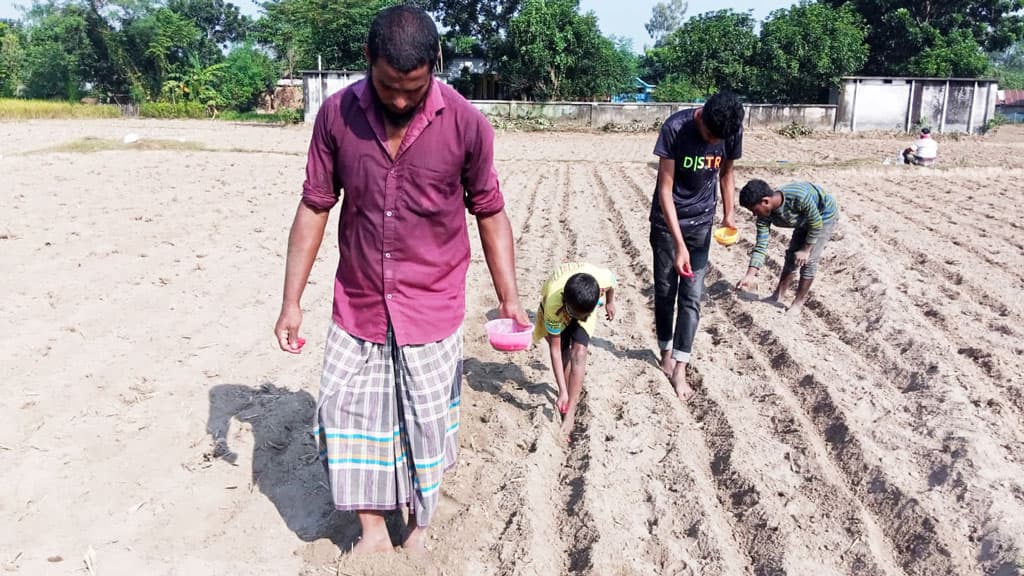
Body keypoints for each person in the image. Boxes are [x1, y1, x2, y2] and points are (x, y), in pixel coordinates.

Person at [273, 5, 529, 560]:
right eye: (388, 85)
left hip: (431, 300)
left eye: (413, 88)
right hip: (359, 299)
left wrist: (508, 295)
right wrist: (291, 300)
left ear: (434, 66)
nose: (399, 99)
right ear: (367, 61)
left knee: (425, 424)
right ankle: (370, 530)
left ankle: (418, 526)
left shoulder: (466, 124)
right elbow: (316, 205)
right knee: (347, 414)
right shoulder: (336, 117)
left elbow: (489, 209)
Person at [650, 91, 744, 402]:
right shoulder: (675, 128)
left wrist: (729, 212)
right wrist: (679, 244)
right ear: (701, 115)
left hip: (702, 226)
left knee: (691, 299)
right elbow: (665, 189)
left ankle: (680, 367)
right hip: (668, 224)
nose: (713, 143)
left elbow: (727, 173)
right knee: (665, 293)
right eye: (709, 137)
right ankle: (665, 350)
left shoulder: (729, 128)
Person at [532, 263, 617, 441]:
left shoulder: (600, 280)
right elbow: (554, 350)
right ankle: (566, 394)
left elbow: (611, 282)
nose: (582, 319)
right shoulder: (553, 306)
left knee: (579, 352)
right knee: (564, 353)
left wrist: (610, 302)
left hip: (579, 305)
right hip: (560, 310)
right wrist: (562, 389)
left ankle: (570, 411)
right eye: (578, 315)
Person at [735, 179, 840, 316]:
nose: (755, 214)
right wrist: (749, 275)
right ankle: (777, 295)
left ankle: (798, 303)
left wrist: (805, 249)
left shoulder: (798, 197)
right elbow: (761, 245)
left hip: (823, 216)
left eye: (754, 210)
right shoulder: (765, 215)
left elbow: (815, 223)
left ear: (765, 201)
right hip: (802, 220)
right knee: (792, 256)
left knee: (808, 261)